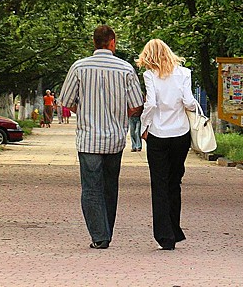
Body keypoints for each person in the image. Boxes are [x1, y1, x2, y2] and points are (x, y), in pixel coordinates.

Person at [59, 24, 144, 250]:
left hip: (88, 139)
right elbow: (137, 104)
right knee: (110, 187)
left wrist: (84, 111)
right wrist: (119, 114)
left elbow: (66, 102)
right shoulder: (125, 69)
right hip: (115, 139)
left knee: (91, 188)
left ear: (94, 42)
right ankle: (107, 231)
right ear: (112, 42)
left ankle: (99, 236)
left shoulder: (79, 67)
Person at [137, 38, 197, 251]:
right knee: (175, 182)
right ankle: (175, 228)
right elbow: (189, 101)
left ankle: (166, 236)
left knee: (159, 184)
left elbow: (151, 103)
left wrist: (144, 125)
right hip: (181, 133)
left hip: (158, 135)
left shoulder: (149, 75)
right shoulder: (184, 73)